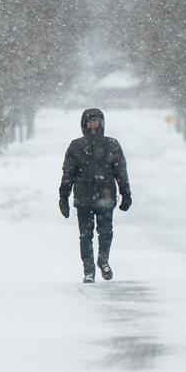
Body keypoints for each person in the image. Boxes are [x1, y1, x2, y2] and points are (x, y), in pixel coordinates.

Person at [58, 107, 131, 283]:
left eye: (96, 120)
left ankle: (103, 260)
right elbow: (68, 173)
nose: (93, 124)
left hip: (106, 196)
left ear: (102, 123)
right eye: (90, 121)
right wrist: (63, 196)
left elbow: (121, 171)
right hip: (83, 197)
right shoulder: (76, 146)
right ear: (84, 123)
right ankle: (88, 270)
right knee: (85, 235)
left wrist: (125, 193)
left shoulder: (112, 144)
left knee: (106, 232)